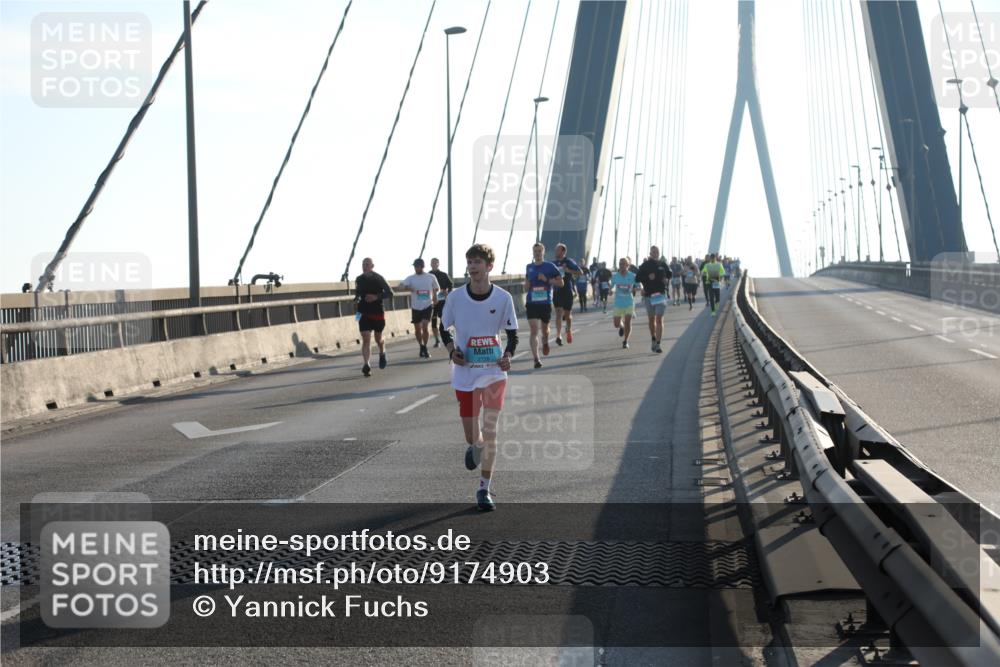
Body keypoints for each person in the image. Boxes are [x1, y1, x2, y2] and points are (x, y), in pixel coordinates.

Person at [440, 243, 518, 512]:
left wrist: (508, 354)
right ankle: (476, 444)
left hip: (494, 373)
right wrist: (453, 351)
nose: (472, 267)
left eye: (477, 262)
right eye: (469, 262)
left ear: (489, 267)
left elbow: (513, 334)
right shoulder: (455, 298)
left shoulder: (503, 298)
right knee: (473, 436)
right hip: (465, 375)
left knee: (492, 431)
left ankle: (484, 489)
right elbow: (444, 329)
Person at [524, 242, 563, 369]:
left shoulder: (550, 267)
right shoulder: (529, 267)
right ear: (532, 253)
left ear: (543, 252)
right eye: (535, 251)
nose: (537, 253)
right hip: (532, 302)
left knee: (545, 331)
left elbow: (561, 283)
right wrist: (526, 285)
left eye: (539, 251)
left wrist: (547, 280)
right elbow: (526, 285)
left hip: (545, 303)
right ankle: (536, 359)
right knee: (534, 330)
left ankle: (545, 340)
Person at [354, 257, 394, 377]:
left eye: (367, 264)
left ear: (372, 266)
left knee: (378, 339)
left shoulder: (379, 278)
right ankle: (366, 365)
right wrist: (355, 302)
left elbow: (390, 293)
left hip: (377, 312)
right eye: (363, 264)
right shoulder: (359, 279)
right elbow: (358, 294)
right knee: (366, 338)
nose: (364, 266)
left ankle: (382, 352)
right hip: (362, 312)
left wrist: (376, 297)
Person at [401, 259, 440, 358]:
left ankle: (425, 346)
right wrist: (408, 288)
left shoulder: (430, 277)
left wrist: (435, 295)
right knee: (417, 330)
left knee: (425, 327)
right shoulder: (411, 278)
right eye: (415, 267)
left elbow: (436, 288)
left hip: (427, 305)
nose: (416, 268)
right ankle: (421, 346)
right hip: (416, 307)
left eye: (418, 266)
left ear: (422, 267)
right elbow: (400, 286)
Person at [636, 246, 671, 353]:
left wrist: (666, 279)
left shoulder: (662, 264)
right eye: (654, 252)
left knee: (659, 319)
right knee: (651, 319)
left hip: (660, 295)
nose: (656, 253)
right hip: (649, 296)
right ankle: (653, 338)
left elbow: (669, 274)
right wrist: (647, 278)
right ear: (650, 253)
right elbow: (637, 278)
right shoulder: (645, 265)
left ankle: (658, 344)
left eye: (657, 252)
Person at [551, 243, 582, 346]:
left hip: (567, 291)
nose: (556, 252)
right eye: (555, 250)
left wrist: (568, 270)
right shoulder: (553, 263)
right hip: (557, 291)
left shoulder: (569, 261)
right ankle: (558, 335)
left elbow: (580, 272)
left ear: (563, 251)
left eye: (557, 250)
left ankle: (568, 330)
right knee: (559, 313)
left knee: (568, 315)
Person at [610, 257, 638, 349]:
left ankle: (625, 341)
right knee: (616, 324)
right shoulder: (615, 276)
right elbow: (612, 286)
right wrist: (610, 291)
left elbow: (639, 284)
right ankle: (621, 327)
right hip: (618, 303)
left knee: (628, 322)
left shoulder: (632, 276)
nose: (621, 266)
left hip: (629, 302)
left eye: (623, 264)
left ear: (627, 265)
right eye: (620, 264)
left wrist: (639, 288)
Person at [429, 257, 453, 348]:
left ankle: (446, 337)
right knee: (433, 322)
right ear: (430, 264)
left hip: (443, 301)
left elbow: (451, 285)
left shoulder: (443, 274)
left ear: (438, 264)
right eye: (432, 263)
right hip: (432, 301)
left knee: (443, 321)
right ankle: (437, 340)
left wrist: (447, 292)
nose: (434, 264)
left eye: (435, 263)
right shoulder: (428, 275)